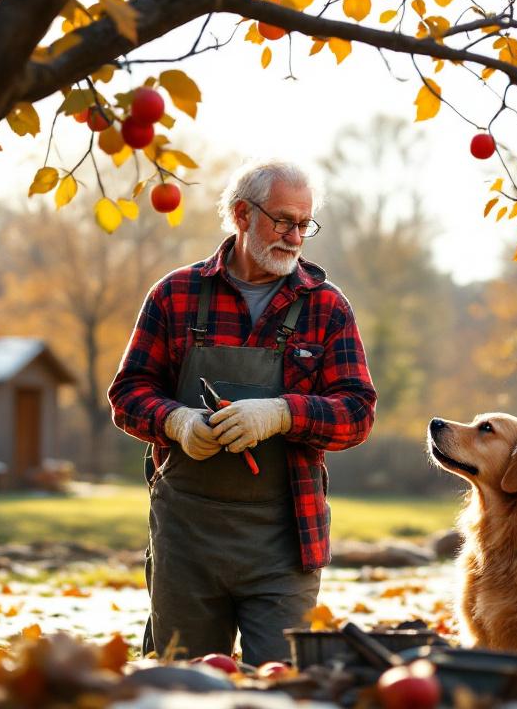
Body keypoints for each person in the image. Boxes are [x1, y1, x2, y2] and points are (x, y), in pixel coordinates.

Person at [107, 159, 376, 665]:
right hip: (186, 539)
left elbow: (358, 413)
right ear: (241, 215)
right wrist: (176, 422)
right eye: (282, 221)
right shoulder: (174, 295)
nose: (295, 237)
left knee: (281, 683)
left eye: (304, 224)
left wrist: (282, 414)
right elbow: (128, 392)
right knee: (181, 685)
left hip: (284, 539)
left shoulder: (326, 308)